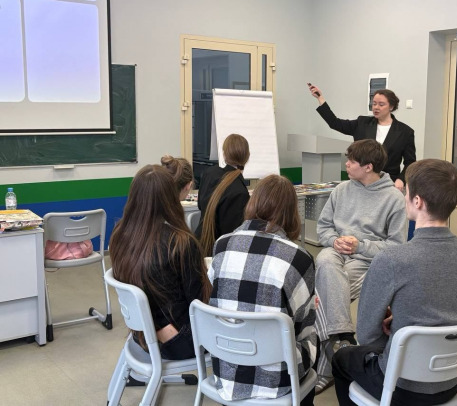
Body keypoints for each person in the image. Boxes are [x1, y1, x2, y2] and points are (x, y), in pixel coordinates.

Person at [332, 159, 457, 405]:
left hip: (400, 385)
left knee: (342, 359)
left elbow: (367, 335)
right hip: (451, 381)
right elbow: (454, 307)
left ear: (418, 201)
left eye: (406, 192)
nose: (403, 197)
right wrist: (404, 321)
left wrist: (402, 337)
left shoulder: (392, 259)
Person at [208, 174, 316, 405]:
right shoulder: (299, 258)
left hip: (226, 368)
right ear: (291, 212)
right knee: (314, 329)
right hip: (277, 378)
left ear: (253, 202)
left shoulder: (221, 245)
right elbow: (301, 325)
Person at [314, 139, 407, 394]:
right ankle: (343, 337)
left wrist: (360, 246)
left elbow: (396, 246)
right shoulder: (341, 190)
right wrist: (334, 240)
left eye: (351, 161)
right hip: (335, 254)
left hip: (367, 262)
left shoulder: (394, 199)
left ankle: (327, 365)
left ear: (368, 167)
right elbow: (323, 228)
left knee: (321, 296)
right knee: (324, 261)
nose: (346, 164)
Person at [109, 165, 212, 360]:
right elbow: (199, 303)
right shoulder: (179, 242)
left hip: (142, 334)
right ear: (170, 198)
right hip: (179, 340)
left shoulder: (119, 235)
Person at [308, 83, 415, 191]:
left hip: (388, 184)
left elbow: (410, 162)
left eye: (381, 104)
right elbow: (334, 123)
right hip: (359, 182)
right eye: (374, 104)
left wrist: (401, 179)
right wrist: (320, 98)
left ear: (391, 107)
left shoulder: (405, 132)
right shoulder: (362, 123)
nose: (376, 107)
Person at [195, 133, 250, 256]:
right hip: (220, 253)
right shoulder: (240, 192)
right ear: (248, 157)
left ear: (224, 154)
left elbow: (200, 206)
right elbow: (232, 235)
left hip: (199, 247)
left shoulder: (209, 173)